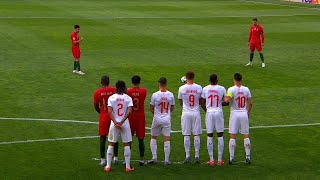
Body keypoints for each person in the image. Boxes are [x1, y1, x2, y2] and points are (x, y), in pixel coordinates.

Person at [105, 80, 134, 172]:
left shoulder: (111, 98)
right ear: (124, 87)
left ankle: (108, 166)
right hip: (124, 123)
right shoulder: (128, 98)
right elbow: (129, 111)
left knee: (111, 143)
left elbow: (109, 111)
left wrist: (115, 122)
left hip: (114, 123)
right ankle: (128, 167)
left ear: (116, 87)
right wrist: (121, 122)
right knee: (126, 144)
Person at [224, 73, 253, 165]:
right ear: (241, 79)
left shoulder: (231, 89)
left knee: (233, 136)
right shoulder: (246, 89)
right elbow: (250, 102)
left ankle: (231, 158)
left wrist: (224, 97)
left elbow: (227, 100)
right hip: (244, 113)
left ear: (234, 79)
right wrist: (248, 112)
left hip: (235, 114)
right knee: (246, 135)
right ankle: (248, 157)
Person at [200, 74, 227, 166]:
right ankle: (219, 160)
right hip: (218, 112)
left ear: (209, 80)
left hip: (209, 113)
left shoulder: (205, 89)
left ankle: (211, 160)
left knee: (209, 135)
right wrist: (220, 103)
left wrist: (206, 110)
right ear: (217, 80)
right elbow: (226, 102)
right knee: (220, 135)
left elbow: (202, 103)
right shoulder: (222, 88)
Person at [148, 77, 175, 166]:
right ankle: (166, 160)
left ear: (159, 84)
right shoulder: (170, 95)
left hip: (157, 119)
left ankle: (154, 157)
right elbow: (172, 107)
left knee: (153, 137)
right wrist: (167, 114)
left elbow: (151, 108)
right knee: (166, 139)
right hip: (166, 119)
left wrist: (156, 114)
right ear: (166, 84)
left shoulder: (155, 95)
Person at [178, 71, 203, 164]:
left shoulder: (182, 88)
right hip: (196, 112)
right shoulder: (199, 87)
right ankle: (197, 156)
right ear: (193, 77)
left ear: (186, 78)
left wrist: (185, 107)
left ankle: (187, 156)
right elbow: (201, 100)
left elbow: (180, 101)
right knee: (196, 134)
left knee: (186, 134)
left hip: (186, 113)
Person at [93, 76, 117, 166]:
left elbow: (96, 105)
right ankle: (116, 158)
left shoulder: (97, 92)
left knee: (102, 138)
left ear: (101, 82)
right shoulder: (114, 90)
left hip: (103, 116)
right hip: (113, 116)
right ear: (109, 82)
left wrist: (101, 112)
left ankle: (103, 160)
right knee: (114, 137)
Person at [126, 75, 147, 166]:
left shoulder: (128, 91)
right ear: (139, 82)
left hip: (130, 116)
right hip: (140, 117)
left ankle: (127, 159)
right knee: (141, 139)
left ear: (132, 82)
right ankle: (142, 159)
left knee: (128, 138)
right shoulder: (144, 91)